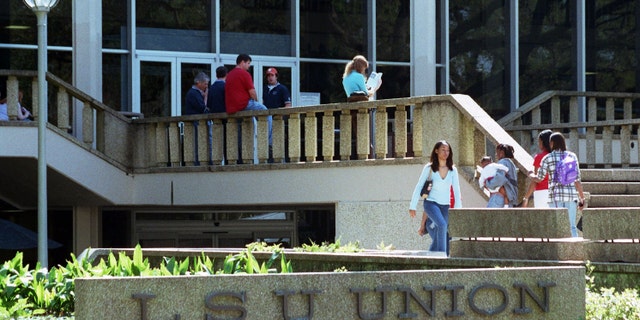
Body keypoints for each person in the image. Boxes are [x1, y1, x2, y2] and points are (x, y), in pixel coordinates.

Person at [409, 140, 462, 254]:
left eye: (448, 150)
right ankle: (442, 256)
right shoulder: (429, 168)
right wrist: (412, 206)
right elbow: (419, 186)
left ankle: (432, 255)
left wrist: (458, 209)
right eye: (443, 150)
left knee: (442, 230)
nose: (445, 153)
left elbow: (457, 190)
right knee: (442, 225)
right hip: (431, 203)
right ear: (436, 151)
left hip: (445, 206)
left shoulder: (453, 170)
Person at [533, 132, 585, 237]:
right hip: (571, 196)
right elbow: (577, 180)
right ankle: (575, 250)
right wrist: (582, 198)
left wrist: (531, 175)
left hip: (555, 197)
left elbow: (540, 178)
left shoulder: (547, 158)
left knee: (557, 228)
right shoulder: (572, 156)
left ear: (551, 143)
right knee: (572, 226)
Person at [262, 67, 291, 154]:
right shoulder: (264, 88)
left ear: (276, 76)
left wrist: (280, 114)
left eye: (272, 75)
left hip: (277, 120)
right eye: (268, 76)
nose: (270, 77)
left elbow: (288, 106)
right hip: (266, 120)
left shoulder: (282, 89)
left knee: (278, 145)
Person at [522, 129, 553, 208]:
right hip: (555, 192)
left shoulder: (539, 157)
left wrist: (526, 197)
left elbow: (535, 180)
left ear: (542, 142)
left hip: (541, 192)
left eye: (539, 141)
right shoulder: (557, 157)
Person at [485, 143, 518, 208]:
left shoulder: (503, 162)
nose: (496, 155)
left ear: (502, 153)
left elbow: (499, 178)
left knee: (490, 217)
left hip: (499, 198)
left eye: (497, 152)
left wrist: (488, 183)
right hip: (509, 199)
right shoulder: (511, 164)